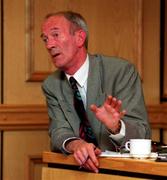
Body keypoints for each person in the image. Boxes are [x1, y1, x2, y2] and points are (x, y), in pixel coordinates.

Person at [41, 11, 151, 173]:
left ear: (79, 38)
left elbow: (143, 134)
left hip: (120, 172)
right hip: (74, 171)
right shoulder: (51, 84)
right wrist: (77, 145)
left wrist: (117, 127)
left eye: (55, 35)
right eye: (45, 39)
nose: (49, 45)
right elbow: (58, 130)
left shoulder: (121, 72)